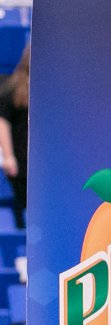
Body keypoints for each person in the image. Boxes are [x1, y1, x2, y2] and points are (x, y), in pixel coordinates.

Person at [0, 44, 27, 229]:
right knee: (21, 203)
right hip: (20, 159)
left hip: (41, 161)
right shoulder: (13, 88)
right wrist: (8, 156)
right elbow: (3, 122)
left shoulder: (51, 90)